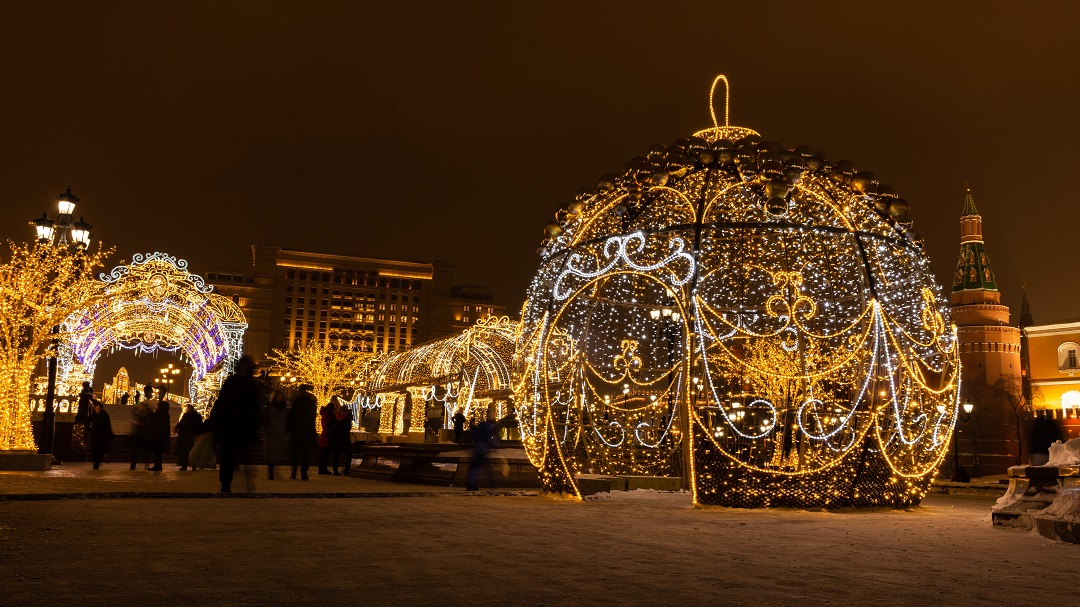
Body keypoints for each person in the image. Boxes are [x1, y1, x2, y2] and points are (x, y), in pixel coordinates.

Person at [208, 355, 261, 493]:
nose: (243, 370)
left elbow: (255, 407)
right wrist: (214, 421)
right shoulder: (231, 382)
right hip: (228, 426)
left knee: (242, 456)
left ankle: (247, 482)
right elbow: (221, 403)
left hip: (243, 427)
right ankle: (225, 483)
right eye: (242, 367)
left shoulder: (251, 385)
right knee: (227, 456)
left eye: (246, 368)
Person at [287, 384, 318, 480]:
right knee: (304, 454)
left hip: (300, 431)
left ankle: (295, 471)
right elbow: (312, 418)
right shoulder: (309, 402)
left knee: (297, 453)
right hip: (305, 431)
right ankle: (302, 472)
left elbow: (292, 417)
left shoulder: (297, 402)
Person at [466, 405, 498, 491]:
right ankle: (489, 484)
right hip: (482, 448)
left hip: (478, 447)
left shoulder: (480, 426)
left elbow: (478, 436)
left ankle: (471, 483)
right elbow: (488, 437)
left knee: (475, 467)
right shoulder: (487, 426)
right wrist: (493, 445)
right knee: (480, 467)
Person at [262, 389, 289, 480]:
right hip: (272, 433)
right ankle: (271, 470)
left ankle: (272, 469)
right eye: (279, 396)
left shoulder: (284, 408)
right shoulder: (270, 407)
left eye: (281, 396)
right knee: (271, 453)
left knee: (276, 452)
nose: (280, 398)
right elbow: (265, 420)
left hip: (280, 433)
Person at [129, 385, 155, 470]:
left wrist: (137, 424)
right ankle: (135, 464)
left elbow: (147, 423)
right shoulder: (141, 413)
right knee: (138, 451)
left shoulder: (147, 414)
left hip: (143, 433)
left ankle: (137, 464)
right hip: (141, 433)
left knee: (140, 451)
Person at [148, 388, 172, 472]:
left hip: (158, 437)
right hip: (162, 437)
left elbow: (153, 420)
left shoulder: (160, 414)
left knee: (157, 453)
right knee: (158, 453)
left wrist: (151, 413)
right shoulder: (166, 414)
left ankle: (157, 466)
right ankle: (158, 465)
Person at [174, 404, 203, 471]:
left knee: (190, 451)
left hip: (190, 435)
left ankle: (192, 465)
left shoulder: (194, 416)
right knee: (185, 452)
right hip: (186, 435)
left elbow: (198, 425)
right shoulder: (186, 415)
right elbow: (181, 423)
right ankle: (185, 465)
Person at [88, 401, 113, 469]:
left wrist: (109, 434)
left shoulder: (104, 415)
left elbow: (108, 425)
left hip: (102, 436)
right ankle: (96, 462)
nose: (97, 410)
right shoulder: (93, 416)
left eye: (99, 408)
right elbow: (88, 423)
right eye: (96, 408)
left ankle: (97, 463)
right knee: (95, 450)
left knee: (99, 450)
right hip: (95, 435)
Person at [331, 402, 354, 476]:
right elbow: (349, 427)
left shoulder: (335, 415)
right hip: (345, 437)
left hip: (336, 437)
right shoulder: (347, 417)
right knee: (348, 454)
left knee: (335, 454)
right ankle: (347, 470)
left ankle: (335, 470)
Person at [317, 401, 336, 475]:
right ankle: (322, 469)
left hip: (325, 436)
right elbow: (327, 425)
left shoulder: (326, 415)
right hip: (326, 436)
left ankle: (322, 468)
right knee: (324, 454)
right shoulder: (326, 415)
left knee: (324, 454)